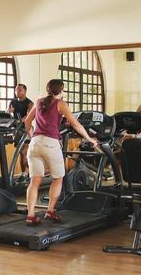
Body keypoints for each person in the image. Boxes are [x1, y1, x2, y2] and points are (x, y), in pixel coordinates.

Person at [23, 79, 100, 226]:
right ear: (61, 90)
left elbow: (27, 122)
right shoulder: (61, 104)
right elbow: (76, 124)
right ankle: (50, 210)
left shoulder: (39, 102)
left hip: (34, 143)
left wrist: (32, 135)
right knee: (58, 178)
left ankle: (30, 215)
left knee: (34, 181)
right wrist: (90, 139)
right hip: (50, 144)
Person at [8, 84, 34, 177]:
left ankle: (29, 174)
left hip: (26, 129)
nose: (17, 92)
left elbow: (29, 115)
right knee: (21, 153)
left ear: (25, 91)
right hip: (17, 129)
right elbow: (9, 112)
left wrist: (20, 120)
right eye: (16, 90)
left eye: (19, 90)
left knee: (24, 152)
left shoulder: (29, 103)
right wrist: (9, 112)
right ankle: (25, 175)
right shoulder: (13, 102)